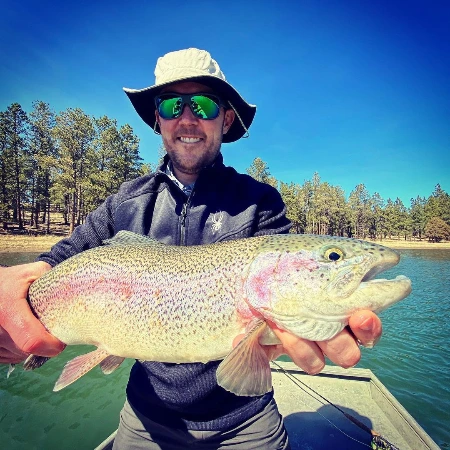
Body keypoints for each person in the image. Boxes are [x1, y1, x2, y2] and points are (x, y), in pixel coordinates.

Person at [0, 48, 382, 449]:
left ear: (226, 118)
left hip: (246, 420)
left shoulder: (259, 203)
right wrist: (14, 291)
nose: (187, 118)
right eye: (171, 105)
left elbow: (289, 293)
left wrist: (318, 315)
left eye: (202, 104)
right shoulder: (124, 203)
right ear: (157, 119)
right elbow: (57, 261)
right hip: (146, 418)